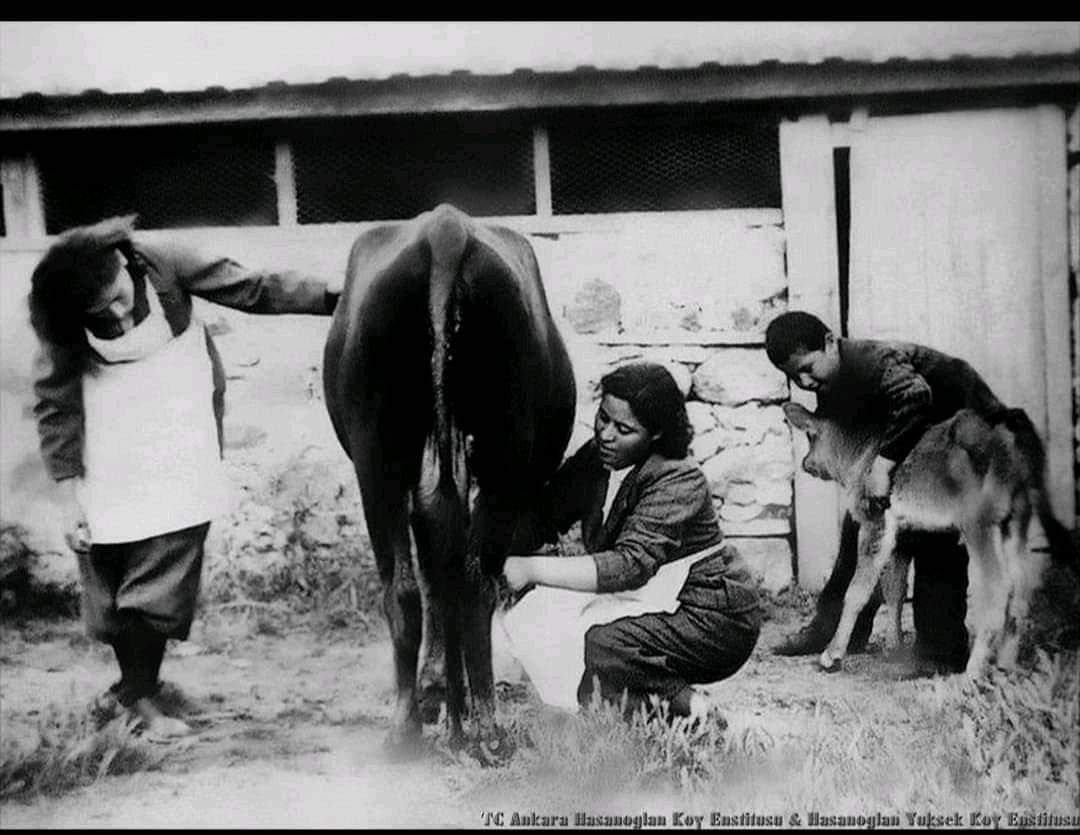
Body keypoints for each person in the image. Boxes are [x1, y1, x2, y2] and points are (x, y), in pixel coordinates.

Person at [29, 214, 339, 740]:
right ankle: (133, 689)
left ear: (127, 265)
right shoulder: (60, 318)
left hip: (179, 436)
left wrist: (337, 297)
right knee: (107, 571)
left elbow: (254, 288)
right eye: (100, 313)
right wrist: (67, 496)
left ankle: (140, 695)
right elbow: (55, 405)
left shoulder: (167, 260)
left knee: (163, 573)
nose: (120, 315)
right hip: (106, 448)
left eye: (121, 297)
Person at [501, 362, 761, 722]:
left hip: (711, 614)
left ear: (655, 434)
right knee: (535, 616)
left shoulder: (678, 477)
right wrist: (490, 545)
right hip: (653, 597)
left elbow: (630, 566)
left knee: (606, 645)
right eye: (603, 418)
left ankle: (694, 710)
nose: (606, 435)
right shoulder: (597, 459)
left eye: (624, 429)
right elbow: (547, 514)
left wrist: (529, 567)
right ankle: (621, 709)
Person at [764, 311, 1006, 674]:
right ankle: (834, 629)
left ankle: (939, 652)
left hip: (957, 420)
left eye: (809, 367)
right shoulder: (830, 383)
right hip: (916, 433)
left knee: (934, 539)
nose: (803, 380)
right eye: (792, 375)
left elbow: (915, 396)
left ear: (830, 344)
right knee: (861, 524)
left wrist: (883, 464)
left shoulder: (871, 362)